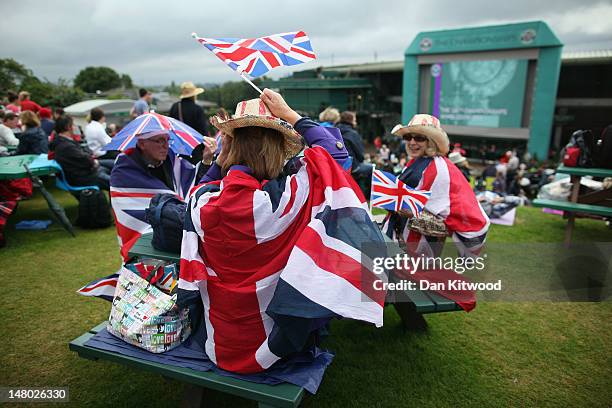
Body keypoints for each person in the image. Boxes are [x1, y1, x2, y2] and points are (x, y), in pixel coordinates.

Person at [179, 89, 385, 374]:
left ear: (230, 146)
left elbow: (199, 187)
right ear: (276, 148)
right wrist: (291, 115)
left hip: (221, 342)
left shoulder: (202, 203)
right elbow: (337, 158)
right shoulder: (286, 199)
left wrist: (220, 158)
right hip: (273, 344)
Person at [383, 114, 489, 259]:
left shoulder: (440, 170)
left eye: (419, 138)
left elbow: (445, 223)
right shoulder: (416, 162)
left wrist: (410, 212)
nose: (412, 142)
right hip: (397, 239)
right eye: (408, 137)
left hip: (416, 251)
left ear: (431, 142)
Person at [110, 121, 217, 260]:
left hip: (175, 230)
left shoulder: (172, 161)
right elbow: (127, 209)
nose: (166, 146)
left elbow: (194, 186)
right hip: (143, 237)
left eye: (167, 140)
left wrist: (207, 160)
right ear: (142, 144)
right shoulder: (124, 170)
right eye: (159, 141)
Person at [50, 115, 110, 190]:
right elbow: (85, 160)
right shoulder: (66, 146)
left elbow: (84, 155)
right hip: (83, 177)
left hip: (83, 172)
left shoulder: (63, 142)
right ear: (69, 127)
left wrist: (91, 160)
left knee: (113, 165)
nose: (75, 127)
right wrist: (93, 162)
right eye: (73, 125)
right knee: (117, 181)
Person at [169, 82, 208, 163]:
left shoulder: (175, 107)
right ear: (194, 95)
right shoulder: (197, 109)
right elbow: (203, 131)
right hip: (195, 148)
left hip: (178, 148)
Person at [336, 111, 370, 190]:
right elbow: (360, 156)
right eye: (354, 119)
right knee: (373, 169)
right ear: (350, 120)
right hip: (351, 166)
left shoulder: (333, 130)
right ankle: (365, 195)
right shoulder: (352, 133)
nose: (356, 122)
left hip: (336, 166)